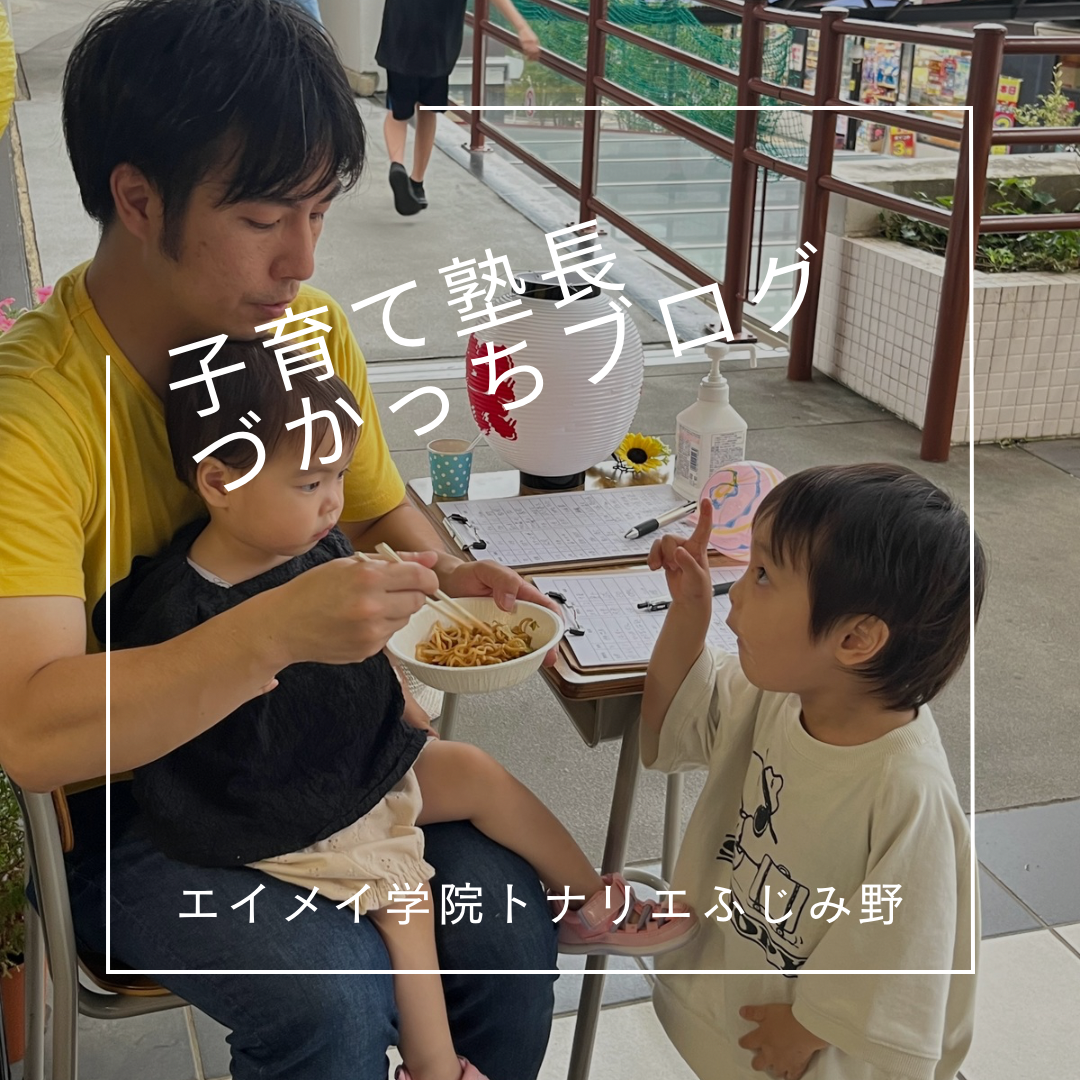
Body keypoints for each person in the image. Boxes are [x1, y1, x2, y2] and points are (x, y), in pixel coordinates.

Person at [0, 2, 560, 1077]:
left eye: (319, 210)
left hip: (326, 755)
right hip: (137, 806)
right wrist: (272, 632)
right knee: (333, 999)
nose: (302, 259)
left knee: (504, 929)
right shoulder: (35, 416)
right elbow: (30, 729)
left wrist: (450, 575)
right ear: (137, 199)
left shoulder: (306, 336)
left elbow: (379, 513)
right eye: (263, 218)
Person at [98, 342, 698, 1080]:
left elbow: (380, 609)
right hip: (269, 801)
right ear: (220, 481)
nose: (333, 501)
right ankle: (437, 1068)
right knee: (405, 900)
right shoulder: (179, 606)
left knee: (476, 771)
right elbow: (179, 724)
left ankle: (589, 901)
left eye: (339, 475)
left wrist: (435, 596)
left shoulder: (317, 548)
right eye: (310, 481)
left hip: (355, 761)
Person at [640, 464, 986, 1080]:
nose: (737, 592)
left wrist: (807, 1029)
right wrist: (689, 611)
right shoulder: (778, 696)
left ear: (856, 639)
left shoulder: (907, 790)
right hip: (744, 1017)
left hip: (813, 1052)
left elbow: (905, 946)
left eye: (764, 574)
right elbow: (674, 723)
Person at [375, 0, 540, 215]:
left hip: (401, 28)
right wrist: (522, 27)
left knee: (398, 112)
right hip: (439, 37)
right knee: (428, 110)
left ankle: (397, 164)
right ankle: (417, 182)